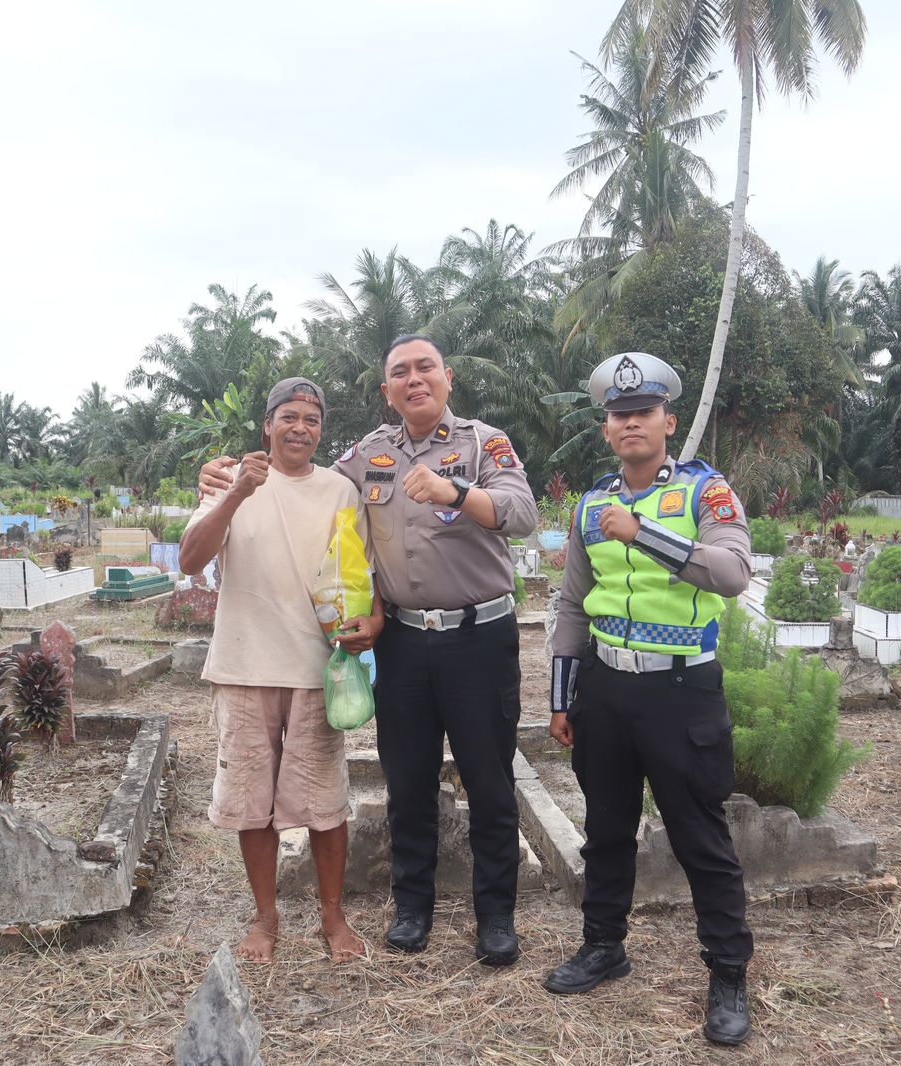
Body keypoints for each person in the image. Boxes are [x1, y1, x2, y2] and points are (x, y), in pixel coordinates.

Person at [201, 335, 537, 966]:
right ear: (386, 390)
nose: (414, 381)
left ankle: (495, 918)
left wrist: (455, 492)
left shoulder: (482, 442)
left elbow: (522, 512)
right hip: (405, 639)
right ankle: (412, 908)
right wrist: (217, 477)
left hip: (477, 637)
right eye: (399, 373)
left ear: (447, 378)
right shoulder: (370, 453)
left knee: (489, 781)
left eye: (425, 369)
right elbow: (307, 477)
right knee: (407, 779)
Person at [542, 351, 756, 1046]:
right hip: (606, 687)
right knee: (605, 829)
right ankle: (604, 946)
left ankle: (728, 972)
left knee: (700, 838)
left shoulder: (705, 492)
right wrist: (563, 696)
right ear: (607, 429)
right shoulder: (591, 504)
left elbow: (730, 573)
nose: (631, 423)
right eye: (618, 415)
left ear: (668, 420)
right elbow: (573, 605)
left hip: (680, 687)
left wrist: (647, 536)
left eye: (643, 412)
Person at [179, 376, 381, 965]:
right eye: (288, 417)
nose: (300, 429)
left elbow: (359, 572)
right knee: (251, 802)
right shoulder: (231, 481)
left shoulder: (340, 491)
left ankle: (332, 915)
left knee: (325, 802)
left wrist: (369, 625)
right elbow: (192, 557)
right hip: (244, 664)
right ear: (266, 425)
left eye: (311, 420)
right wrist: (236, 494)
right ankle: (265, 918)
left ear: (321, 430)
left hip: (317, 667)